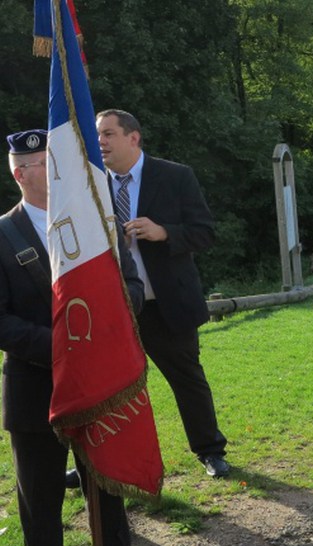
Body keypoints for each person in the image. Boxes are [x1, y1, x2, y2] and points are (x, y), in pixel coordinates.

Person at [1, 130, 156, 546]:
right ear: (20, 172)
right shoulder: (3, 235)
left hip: (99, 379)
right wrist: (61, 345)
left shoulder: (97, 223)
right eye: (43, 163)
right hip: (35, 384)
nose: (55, 171)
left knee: (105, 481)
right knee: (40, 492)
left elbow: (131, 286)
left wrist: (104, 326)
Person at [94, 109, 229, 479]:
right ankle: (100, 459)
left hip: (167, 304)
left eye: (108, 134)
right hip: (114, 308)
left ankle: (210, 451)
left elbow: (205, 233)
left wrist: (164, 232)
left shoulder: (175, 176)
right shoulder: (89, 185)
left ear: (133, 137)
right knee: (107, 388)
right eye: (98, 135)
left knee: (188, 380)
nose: (101, 142)